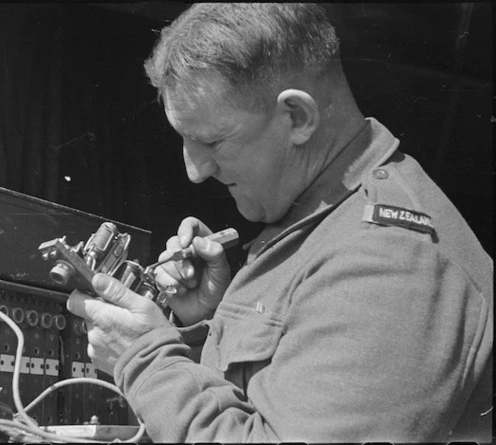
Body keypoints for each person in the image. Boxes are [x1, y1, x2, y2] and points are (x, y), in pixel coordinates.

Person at [67, 3, 493, 442]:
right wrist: (210, 330)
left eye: (212, 140)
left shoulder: (390, 262)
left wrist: (146, 358)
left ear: (297, 117)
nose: (194, 170)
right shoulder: (324, 217)